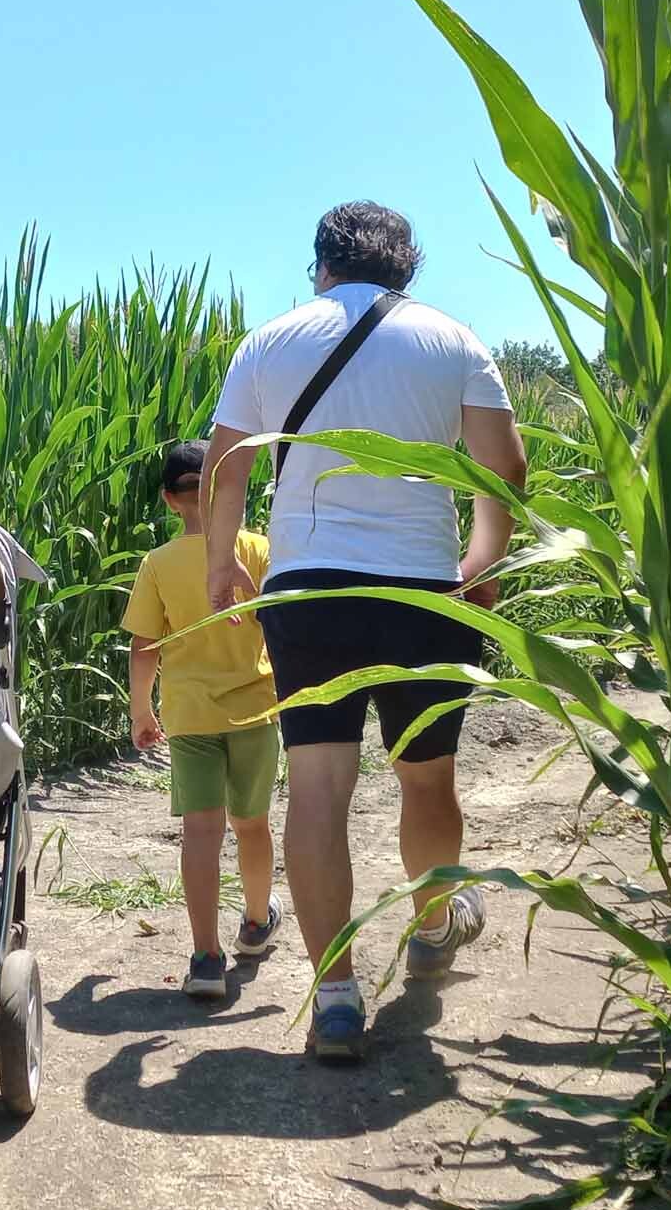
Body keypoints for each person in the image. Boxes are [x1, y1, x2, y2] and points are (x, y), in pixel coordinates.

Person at [202, 201, 526, 1065]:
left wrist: (220, 567)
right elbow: (506, 467)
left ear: (322, 264)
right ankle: (433, 926)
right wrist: (481, 562)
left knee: (318, 786)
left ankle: (336, 996)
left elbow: (227, 471)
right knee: (428, 778)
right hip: (424, 589)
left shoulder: (269, 341)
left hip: (308, 589)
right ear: (406, 266)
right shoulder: (454, 339)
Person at [123, 441, 284, 1001]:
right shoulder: (257, 550)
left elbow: (145, 647)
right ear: (225, 490)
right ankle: (257, 923)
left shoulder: (159, 564)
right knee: (252, 824)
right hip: (257, 709)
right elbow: (280, 625)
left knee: (201, 832)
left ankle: (206, 957)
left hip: (190, 715)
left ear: (169, 500)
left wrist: (141, 711)